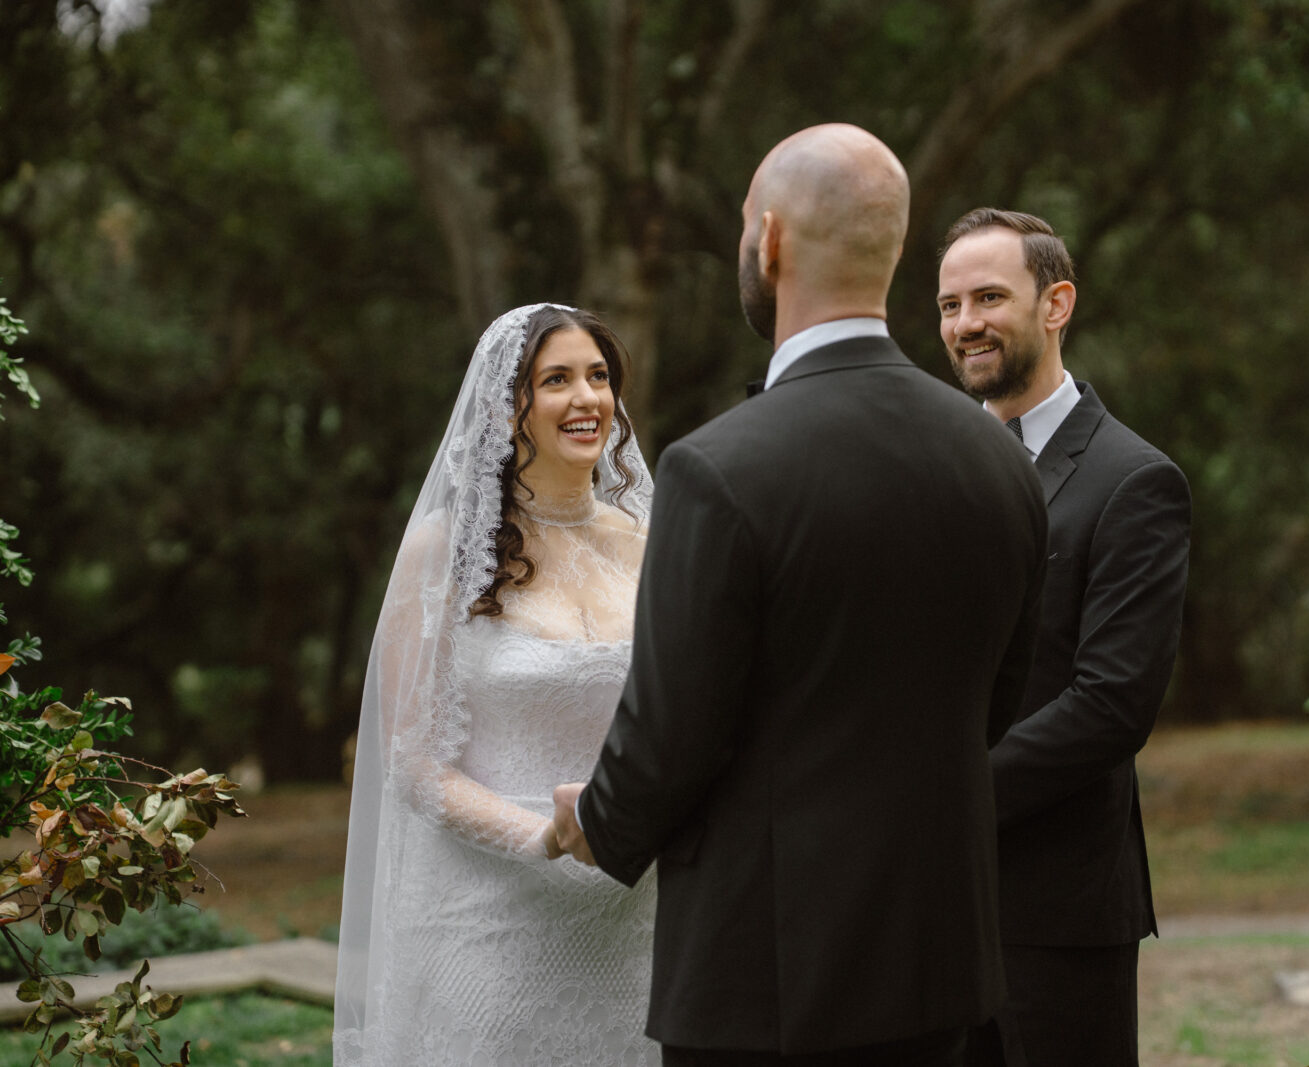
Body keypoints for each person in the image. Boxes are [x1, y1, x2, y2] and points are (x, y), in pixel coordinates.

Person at [547, 124, 1048, 1066]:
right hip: (938, 964)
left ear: (769, 240)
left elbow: (671, 730)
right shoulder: (999, 459)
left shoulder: (718, 467)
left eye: (744, 224)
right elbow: (995, 703)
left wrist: (599, 819)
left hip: (766, 979)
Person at [333, 304, 658, 1066]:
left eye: (599, 377)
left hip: (633, 915)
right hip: (490, 923)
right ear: (508, 406)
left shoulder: (650, 544)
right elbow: (412, 761)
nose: (588, 399)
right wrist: (541, 837)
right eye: (557, 380)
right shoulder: (441, 554)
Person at [935, 208, 1191, 1066]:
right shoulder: (931, 469)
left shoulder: (1134, 480)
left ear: (1057, 304)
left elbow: (1112, 702)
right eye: (948, 304)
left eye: (988, 297)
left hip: (1056, 908)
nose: (965, 323)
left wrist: (944, 798)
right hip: (924, 909)